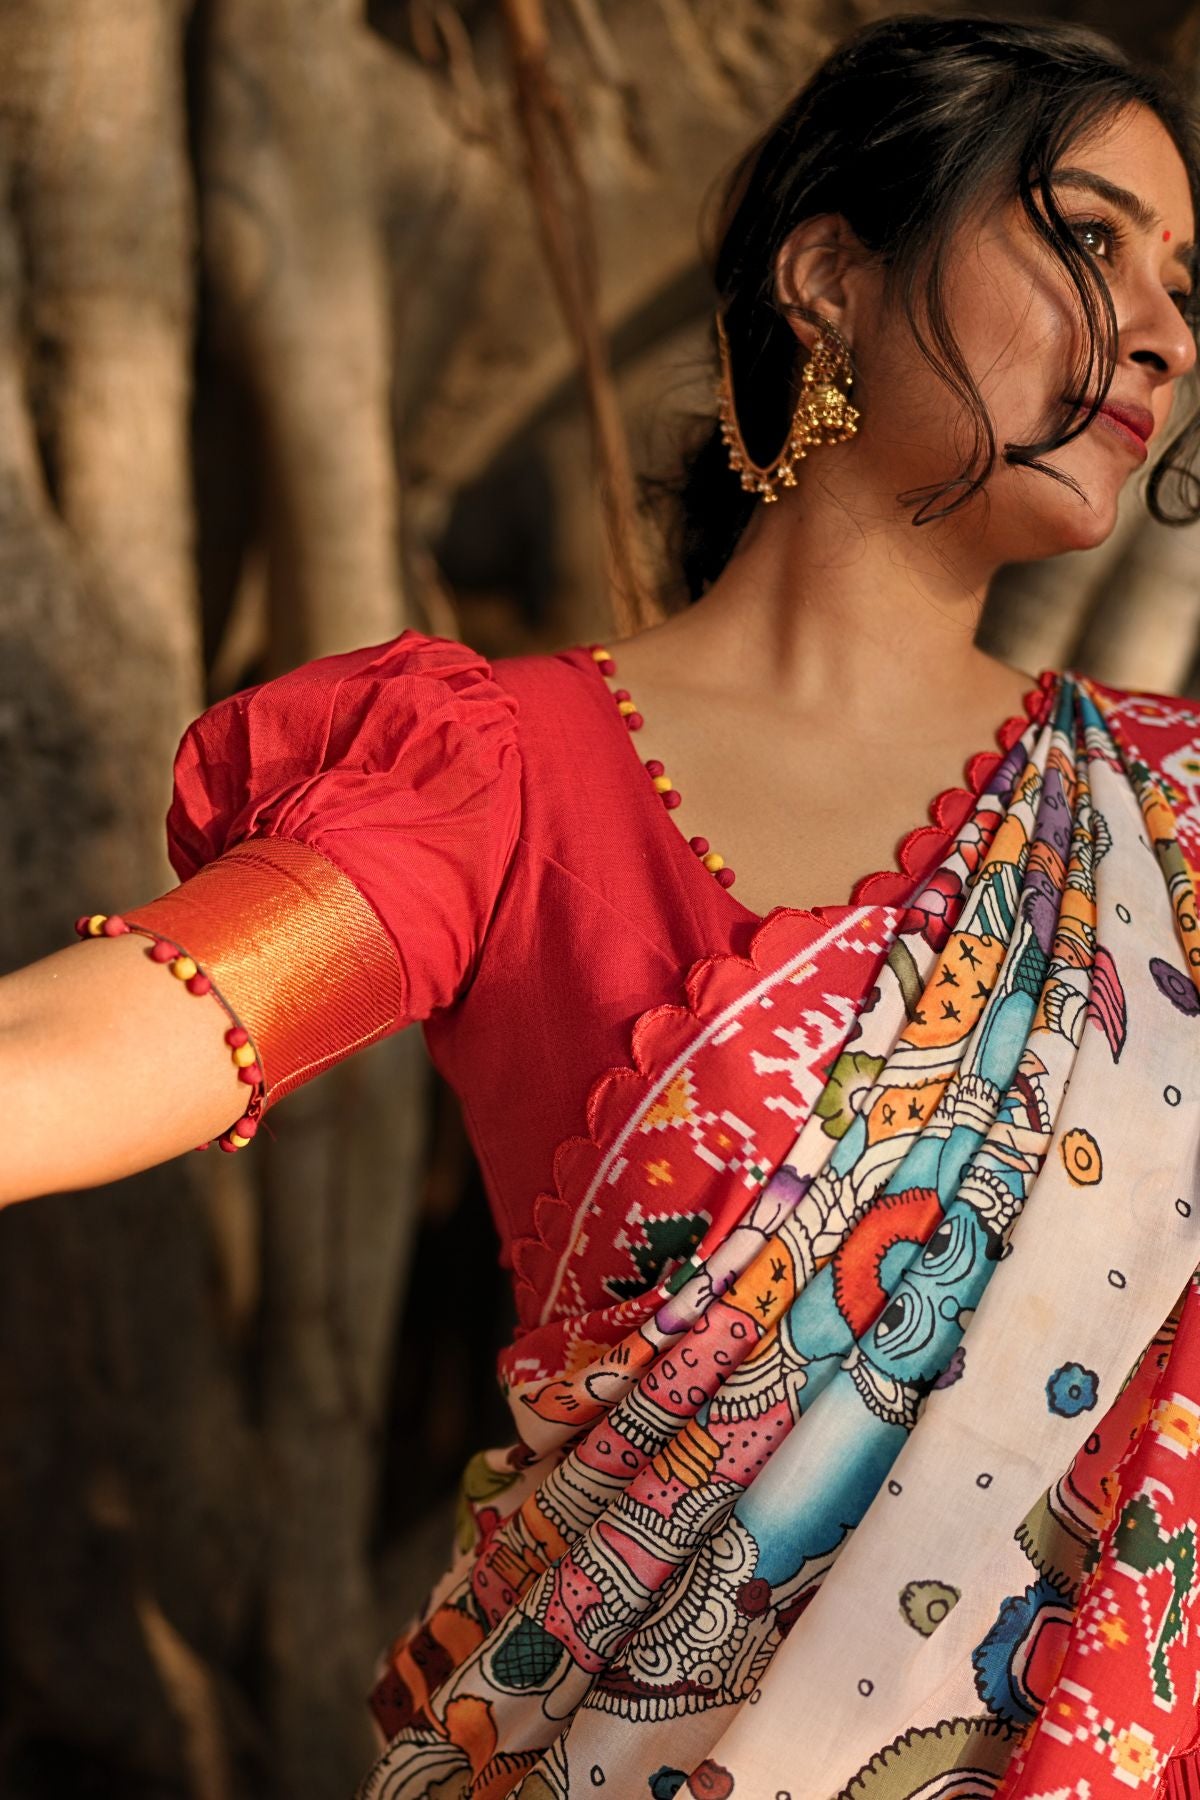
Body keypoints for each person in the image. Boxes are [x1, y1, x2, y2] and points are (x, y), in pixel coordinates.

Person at [4, 11, 1200, 1797]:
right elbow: (115, 1037)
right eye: (1088, 237)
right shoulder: (504, 774)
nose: (1166, 331)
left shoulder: (1169, 823)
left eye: (1188, 282)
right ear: (829, 280)